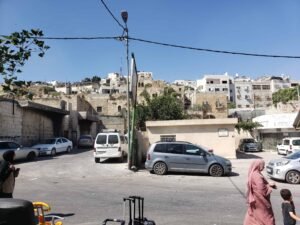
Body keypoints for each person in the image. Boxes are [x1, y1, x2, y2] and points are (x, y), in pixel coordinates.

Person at [243, 159, 276, 225]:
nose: (264, 167)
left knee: (254, 215)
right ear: (258, 165)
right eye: (262, 165)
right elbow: (262, 190)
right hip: (260, 201)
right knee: (266, 216)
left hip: (255, 200)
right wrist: (270, 186)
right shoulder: (257, 176)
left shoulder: (253, 173)